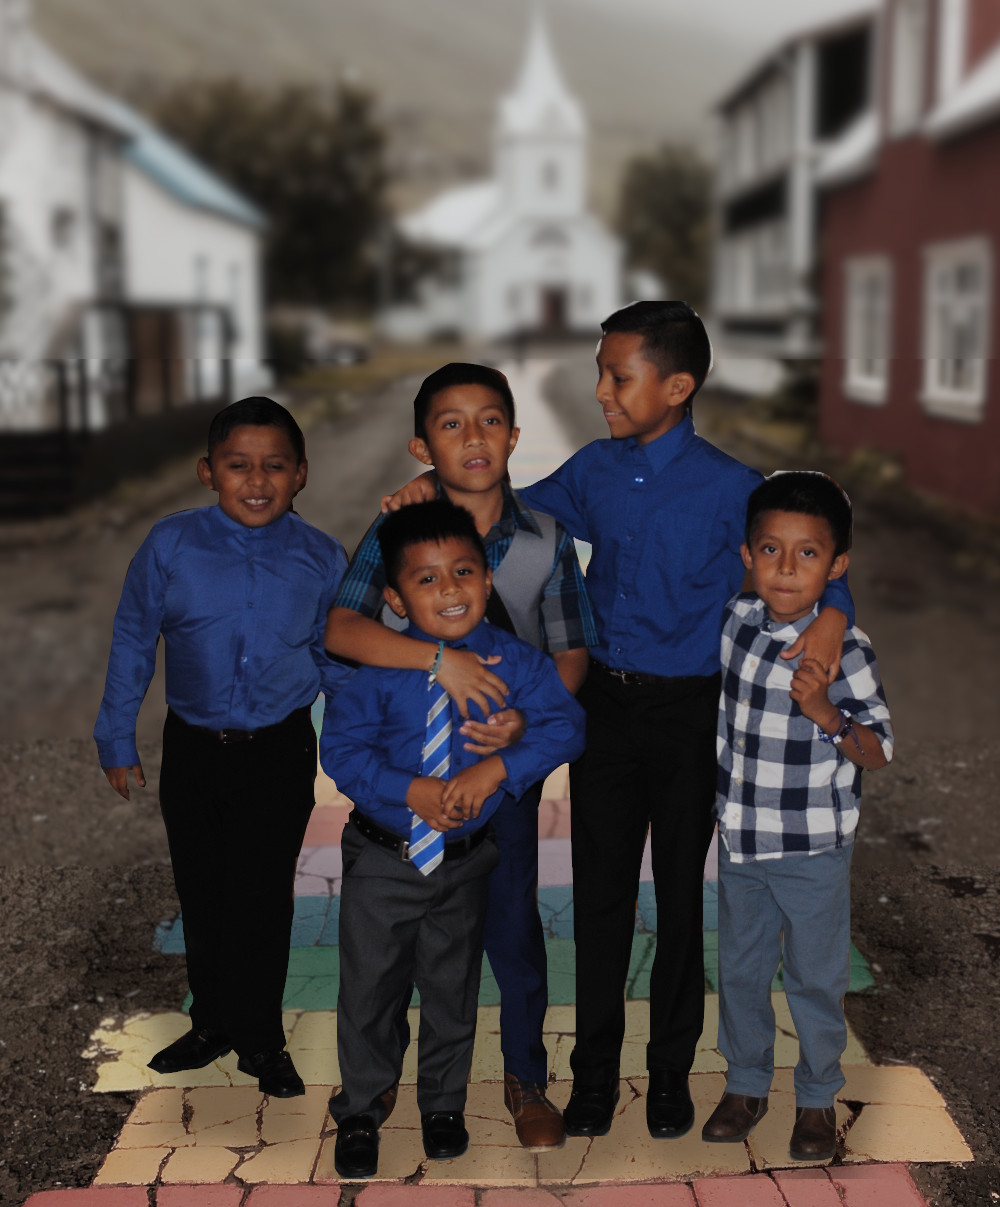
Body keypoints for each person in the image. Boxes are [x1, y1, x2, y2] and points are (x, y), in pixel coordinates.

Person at [382, 302, 854, 1140]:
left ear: (677, 385)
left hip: (690, 714)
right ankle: (594, 1073)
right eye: (601, 373)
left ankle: (669, 1071)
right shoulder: (594, 471)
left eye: (616, 375)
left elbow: (812, 561)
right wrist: (435, 489)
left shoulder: (733, 487)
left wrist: (832, 619)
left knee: (680, 897)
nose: (599, 389)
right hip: (603, 707)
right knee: (600, 896)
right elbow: (502, 506)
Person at [325, 362, 597, 1150]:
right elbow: (344, 630)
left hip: (497, 779)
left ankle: (523, 1075)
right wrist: (436, 662)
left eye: (488, 421)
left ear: (514, 436)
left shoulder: (546, 538)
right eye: (450, 424)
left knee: (508, 928)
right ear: (423, 443)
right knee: (381, 955)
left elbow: (570, 656)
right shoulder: (399, 529)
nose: (472, 438)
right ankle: (370, 1084)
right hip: (403, 784)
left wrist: (517, 734)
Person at [94, 396, 348, 1098]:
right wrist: (116, 736)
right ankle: (211, 1023)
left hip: (279, 752)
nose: (257, 480)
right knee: (202, 893)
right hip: (195, 750)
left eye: (275, 466)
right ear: (209, 471)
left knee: (262, 898)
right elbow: (132, 640)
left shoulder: (323, 558)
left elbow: (339, 661)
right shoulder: (169, 546)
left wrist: (358, 750)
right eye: (239, 465)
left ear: (302, 473)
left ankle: (262, 1038)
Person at [702, 471, 892, 1161]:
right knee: (743, 970)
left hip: (812, 845)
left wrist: (826, 713)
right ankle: (747, 1081)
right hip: (743, 840)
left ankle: (816, 1096)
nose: (786, 567)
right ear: (748, 555)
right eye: (771, 550)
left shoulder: (848, 649)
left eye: (808, 553)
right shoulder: (735, 623)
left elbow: (877, 751)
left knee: (815, 976)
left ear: (836, 565)